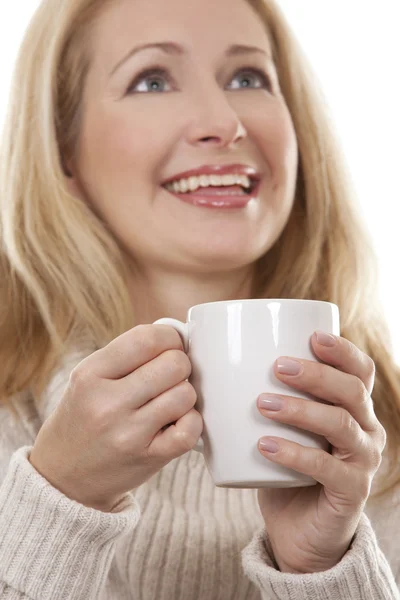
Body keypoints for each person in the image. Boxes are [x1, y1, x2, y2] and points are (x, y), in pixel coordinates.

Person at [0, 0, 399, 597]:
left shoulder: (380, 444)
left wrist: (324, 569)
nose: (224, 121)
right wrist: (60, 503)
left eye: (248, 78)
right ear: (63, 151)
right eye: (152, 80)